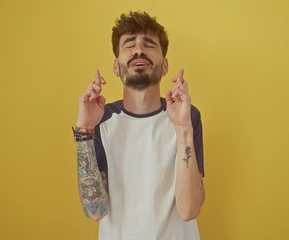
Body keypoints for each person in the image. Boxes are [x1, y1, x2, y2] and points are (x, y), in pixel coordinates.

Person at [74, 11, 205, 240]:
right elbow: (95, 211)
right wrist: (84, 130)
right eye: (129, 44)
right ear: (116, 67)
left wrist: (183, 128)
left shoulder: (187, 116)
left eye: (149, 44)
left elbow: (189, 210)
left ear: (165, 66)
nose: (138, 50)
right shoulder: (101, 121)